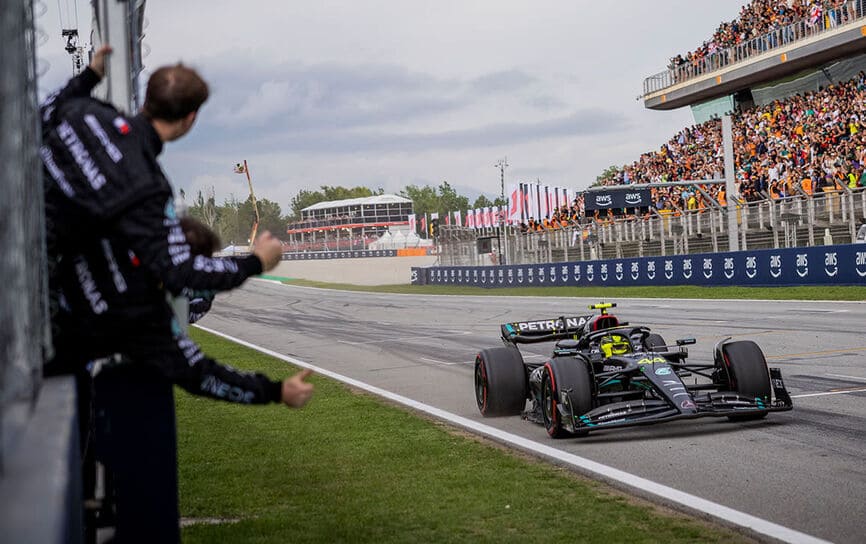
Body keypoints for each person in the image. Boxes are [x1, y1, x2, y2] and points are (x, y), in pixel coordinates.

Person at [41, 45, 313, 543]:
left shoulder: (89, 113)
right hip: (53, 351)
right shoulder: (145, 196)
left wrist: (88, 77)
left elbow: (47, 111)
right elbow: (200, 362)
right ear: (189, 120)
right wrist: (257, 263)